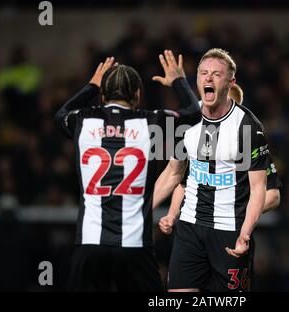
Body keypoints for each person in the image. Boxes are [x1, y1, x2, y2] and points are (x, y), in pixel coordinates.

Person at [54, 52, 200, 291]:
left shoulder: (83, 120)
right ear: (138, 95)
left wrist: (91, 85)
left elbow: (60, 115)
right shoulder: (151, 122)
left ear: (102, 95)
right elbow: (193, 113)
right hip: (135, 246)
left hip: (91, 242)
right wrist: (178, 81)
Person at [153, 48, 269, 292]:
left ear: (230, 82)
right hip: (189, 228)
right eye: (203, 73)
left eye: (216, 74)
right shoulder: (186, 121)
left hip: (229, 231)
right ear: (196, 80)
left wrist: (245, 233)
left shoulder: (247, 126)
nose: (208, 78)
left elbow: (260, 188)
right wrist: (142, 210)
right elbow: (174, 173)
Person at [160, 84, 282, 237]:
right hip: (194, 228)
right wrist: (171, 215)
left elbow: (273, 195)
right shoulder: (195, 135)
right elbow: (184, 181)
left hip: (230, 229)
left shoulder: (249, 140)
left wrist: (235, 212)